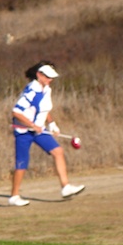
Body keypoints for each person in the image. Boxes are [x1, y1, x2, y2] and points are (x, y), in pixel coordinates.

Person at [9, 61, 85, 206]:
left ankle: (65, 187)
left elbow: (45, 109)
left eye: (52, 77)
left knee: (58, 151)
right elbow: (16, 112)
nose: (51, 80)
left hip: (39, 129)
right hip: (23, 131)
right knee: (22, 164)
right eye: (48, 77)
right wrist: (31, 125)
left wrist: (51, 124)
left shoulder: (47, 89)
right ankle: (14, 196)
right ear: (39, 75)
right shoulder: (31, 91)